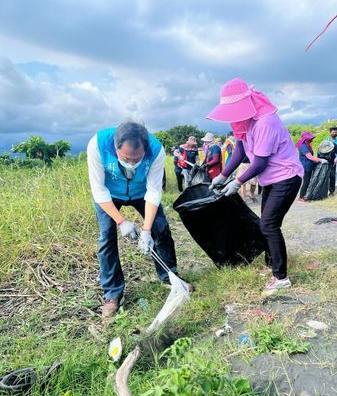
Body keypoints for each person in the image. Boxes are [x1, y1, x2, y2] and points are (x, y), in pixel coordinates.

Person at [208, 78, 304, 296]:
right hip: (271, 179)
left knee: (269, 225)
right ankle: (271, 266)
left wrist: (238, 182)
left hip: (287, 177)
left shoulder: (265, 122)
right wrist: (222, 176)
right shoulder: (243, 122)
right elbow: (239, 152)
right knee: (267, 223)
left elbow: (260, 162)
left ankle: (281, 277)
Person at [87, 121, 191, 317]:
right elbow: (99, 191)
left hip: (141, 192)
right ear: (116, 147)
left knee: (161, 230)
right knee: (106, 238)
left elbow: (153, 191)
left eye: (137, 159)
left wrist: (146, 230)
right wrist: (121, 221)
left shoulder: (156, 150)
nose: (132, 163)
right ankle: (112, 293)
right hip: (109, 195)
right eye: (127, 158)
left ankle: (170, 277)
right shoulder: (98, 145)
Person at [296, 131, 327, 202]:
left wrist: (316, 161)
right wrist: (320, 160)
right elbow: (309, 156)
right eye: (310, 138)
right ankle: (301, 197)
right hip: (305, 167)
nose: (312, 139)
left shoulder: (307, 145)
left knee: (308, 181)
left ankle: (306, 196)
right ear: (306, 139)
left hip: (309, 165)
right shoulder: (303, 146)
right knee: (306, 182)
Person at [326, 127, 337, 196]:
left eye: (336, 132)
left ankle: (332, 192)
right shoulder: (326, 141)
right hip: (327, 161)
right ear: (330, 133)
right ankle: (325, 191)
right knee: (326, 176)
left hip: (335, 160)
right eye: (333, 132)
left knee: (333, 176)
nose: (335, 133)